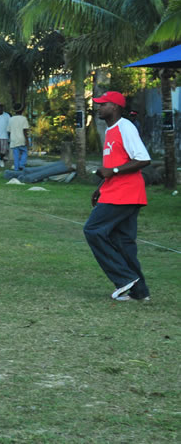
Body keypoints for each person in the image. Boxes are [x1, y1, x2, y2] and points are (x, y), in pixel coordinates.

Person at [83, 91, 151, 302]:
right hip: (117, 191)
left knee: (93, 229)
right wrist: (101, 186)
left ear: (114, 106)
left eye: (103, 104)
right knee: (123, 242)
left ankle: (124, 279)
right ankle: (139, 292)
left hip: (125, 192)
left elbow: (143, 159)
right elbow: (115, 164)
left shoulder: (125, 127)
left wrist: (111, 172)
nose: (99, 108)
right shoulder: (111, 130)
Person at [7, 104, 30, 171]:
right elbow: (25, 130)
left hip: (14, 139)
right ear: (22, 110)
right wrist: (27, 140)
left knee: (16, 155)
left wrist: (10, 138)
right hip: (22, 138)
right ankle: (21, 164)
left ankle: (16, 169)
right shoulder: (24, 119)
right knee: (24, 152)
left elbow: (9, 131)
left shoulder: (11, 119)